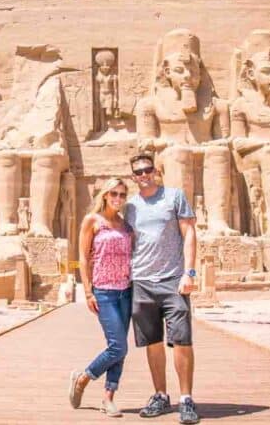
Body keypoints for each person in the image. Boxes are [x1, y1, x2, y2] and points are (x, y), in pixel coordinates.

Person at [124, 153, 200, 424]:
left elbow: (189, 232)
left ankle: (186, 399)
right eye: (138, 172)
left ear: (156, 171)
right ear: (133, 177)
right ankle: (160, 394)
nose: (144, 175)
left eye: (147, 170)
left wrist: (189, 272)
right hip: (142, 280)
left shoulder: (174, 196)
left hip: (172, 278)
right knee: (152, 341)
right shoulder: (129, 206)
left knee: (182, 339)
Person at [69, 178, 133, 418]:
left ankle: (108, 398)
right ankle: (84, 377)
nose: (118, 198)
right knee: (118, 346)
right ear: (105, 195)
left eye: (122, 195)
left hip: (126, 290)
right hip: (104, 291)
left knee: (119, 348)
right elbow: (83, 258)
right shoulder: (92, 221)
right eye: (114, 193)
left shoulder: (125, 225)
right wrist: (87, 291)